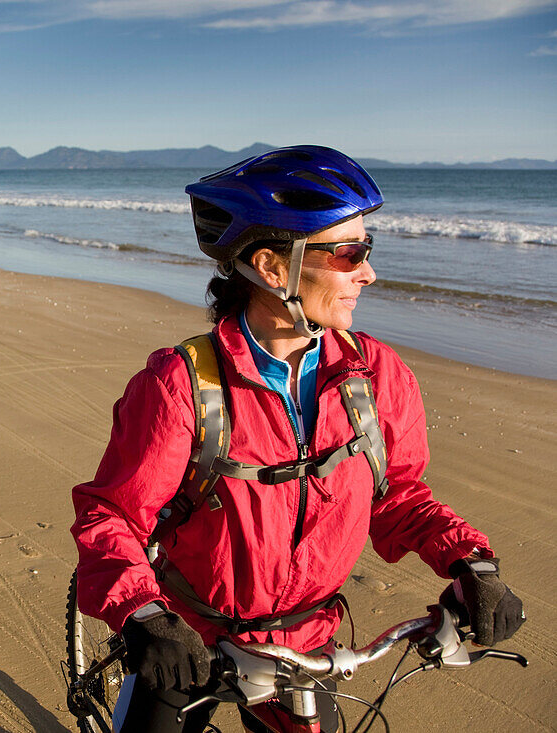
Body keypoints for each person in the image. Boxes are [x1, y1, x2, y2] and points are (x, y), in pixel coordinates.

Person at [69, 146, 525, 732]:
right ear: (272, 267)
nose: (368, 273)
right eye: (348, 253)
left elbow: (397, 495)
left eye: (369, 250)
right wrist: (143, 615)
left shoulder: (378, 377)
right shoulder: (181, 384)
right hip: (192, 635)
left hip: (308, 642)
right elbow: (112, 518)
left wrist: (471, 565)